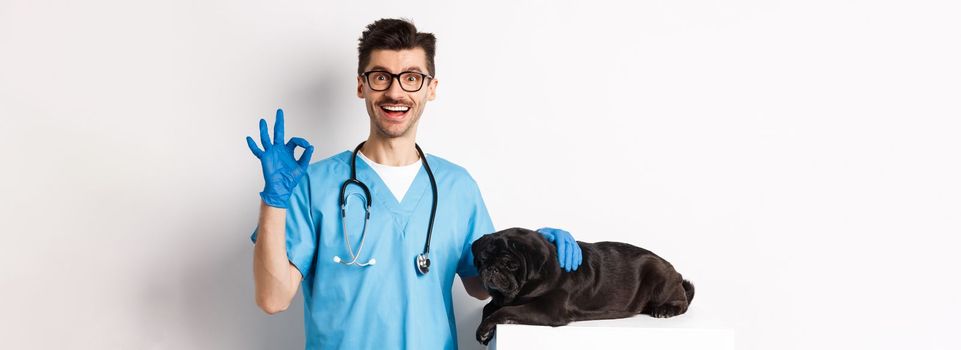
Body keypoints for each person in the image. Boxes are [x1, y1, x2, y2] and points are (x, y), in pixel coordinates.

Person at [245, 18, 583, 349]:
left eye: (411, 78)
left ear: (430, 88)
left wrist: (537, 248)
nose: (395, 91)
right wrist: (274, 200)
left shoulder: (457, 187)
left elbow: (481, 287)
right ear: (361, 85)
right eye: (381, 77)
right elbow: (273, 299)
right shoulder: (313, 185)